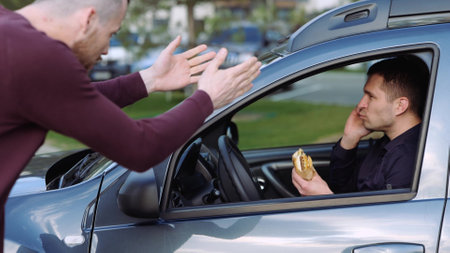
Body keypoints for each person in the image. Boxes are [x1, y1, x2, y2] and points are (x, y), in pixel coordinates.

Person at [0, 0, 261, 248]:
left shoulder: (12, 36)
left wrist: (149, 79)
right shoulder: (40, 57)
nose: (105, 50)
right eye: (111, 33)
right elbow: (140, 146)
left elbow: (65, 97)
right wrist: (207, 100)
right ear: (88, 19)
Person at [292, 55, 429, 196]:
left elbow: (388, 217)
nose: (360, 105)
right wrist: (349, 138)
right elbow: (344, 190)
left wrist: (324, 198)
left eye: (371, 97)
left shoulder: (409, 160)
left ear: (400, 106)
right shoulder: (387, 142)